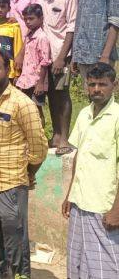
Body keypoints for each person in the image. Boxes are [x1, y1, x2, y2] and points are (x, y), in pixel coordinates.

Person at [0, 49, 48, 278]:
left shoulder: (22, 103)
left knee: (15, 246)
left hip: (10, 186)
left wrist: (28, 172)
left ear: (8, 69)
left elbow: (39, 146)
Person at [62, 63, 119, 279]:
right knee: (77, 264)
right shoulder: (85, 114)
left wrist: (116, 209)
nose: (96, 89)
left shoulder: (117, 117)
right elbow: (79, 155)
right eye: (92, 84)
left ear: (114, 85)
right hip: (79, 202)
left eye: (102, 84)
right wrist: (69, 194)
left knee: (107, 268)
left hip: (104, 206)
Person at [38, 0, 77, 156]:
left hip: (62, 52)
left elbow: (71, 26)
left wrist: (62, 57)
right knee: (51, 95)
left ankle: (65, 137)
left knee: (62, 94)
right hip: (45, 55)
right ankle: (55, 134)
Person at [15, 4, 51, 127]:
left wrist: (40, 83)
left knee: (37, 110)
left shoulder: (42, 37)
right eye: (25, 19)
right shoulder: (29, 36)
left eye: (31, 18)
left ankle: (40, 136)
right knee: (26, 110)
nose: (28, 22)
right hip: (26, 80)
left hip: (36, 82)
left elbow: (45, 62)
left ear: (41, 19)